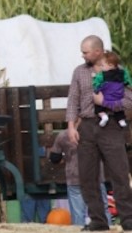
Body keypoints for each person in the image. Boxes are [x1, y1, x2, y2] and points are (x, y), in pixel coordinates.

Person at [66, 35, 132, 231]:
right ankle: (98, 220)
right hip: (86, 126)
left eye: (85, 52)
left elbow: (130, 99)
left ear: (98, 51)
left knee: (119, 173)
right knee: (87, 176)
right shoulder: (79, 72)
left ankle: (128, 219)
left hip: (111, 126)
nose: (83, 55)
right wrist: (71, 126)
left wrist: (106, 103)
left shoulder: (117, 71)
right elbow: (73, 100)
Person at [49, 128, 112, 226]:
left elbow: (54, 158)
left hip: (74, 177)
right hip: (96, 176)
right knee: (103, 209)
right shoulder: (98, 132)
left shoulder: (64, 135)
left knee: (78, 213)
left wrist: (66, 157)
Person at [93, 51, 132, 128]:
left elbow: (97, 82)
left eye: (102, 65)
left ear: (110, 65)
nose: (101, 67)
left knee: (98, 108)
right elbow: (128, 81)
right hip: (118, 97)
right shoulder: (123, 72)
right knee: (119, 110)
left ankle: (103, 116)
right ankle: (121, 120)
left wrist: (94, 79)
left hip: (106, 97)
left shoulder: (102, 74)